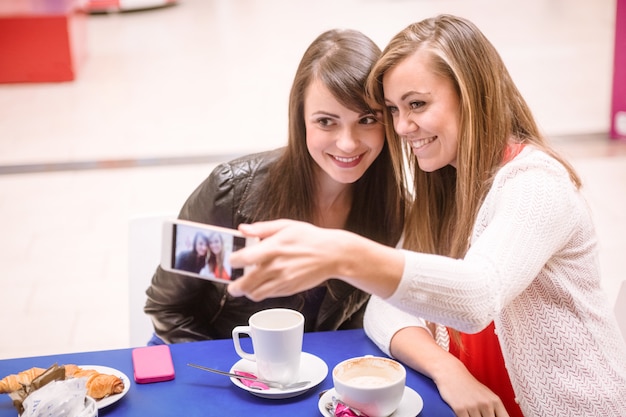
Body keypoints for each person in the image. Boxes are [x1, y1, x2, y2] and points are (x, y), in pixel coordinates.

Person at [227, 14, 626, 417]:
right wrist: (447, 369)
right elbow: (384, 308)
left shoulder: (536, 184)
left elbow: (476, 296)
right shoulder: (445, 187)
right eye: (393, 110)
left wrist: (341, 254)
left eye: (417, 104)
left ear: (473, 95)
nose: (402, 126)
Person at [144, 28, 405, 344]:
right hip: (217, 366)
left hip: (315, 376)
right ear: (300, 119)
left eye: (367, 120)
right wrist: (241, 373)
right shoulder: (233, 193)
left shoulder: (394, 210)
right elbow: (168, 309)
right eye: (326, 121)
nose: (348, 144)